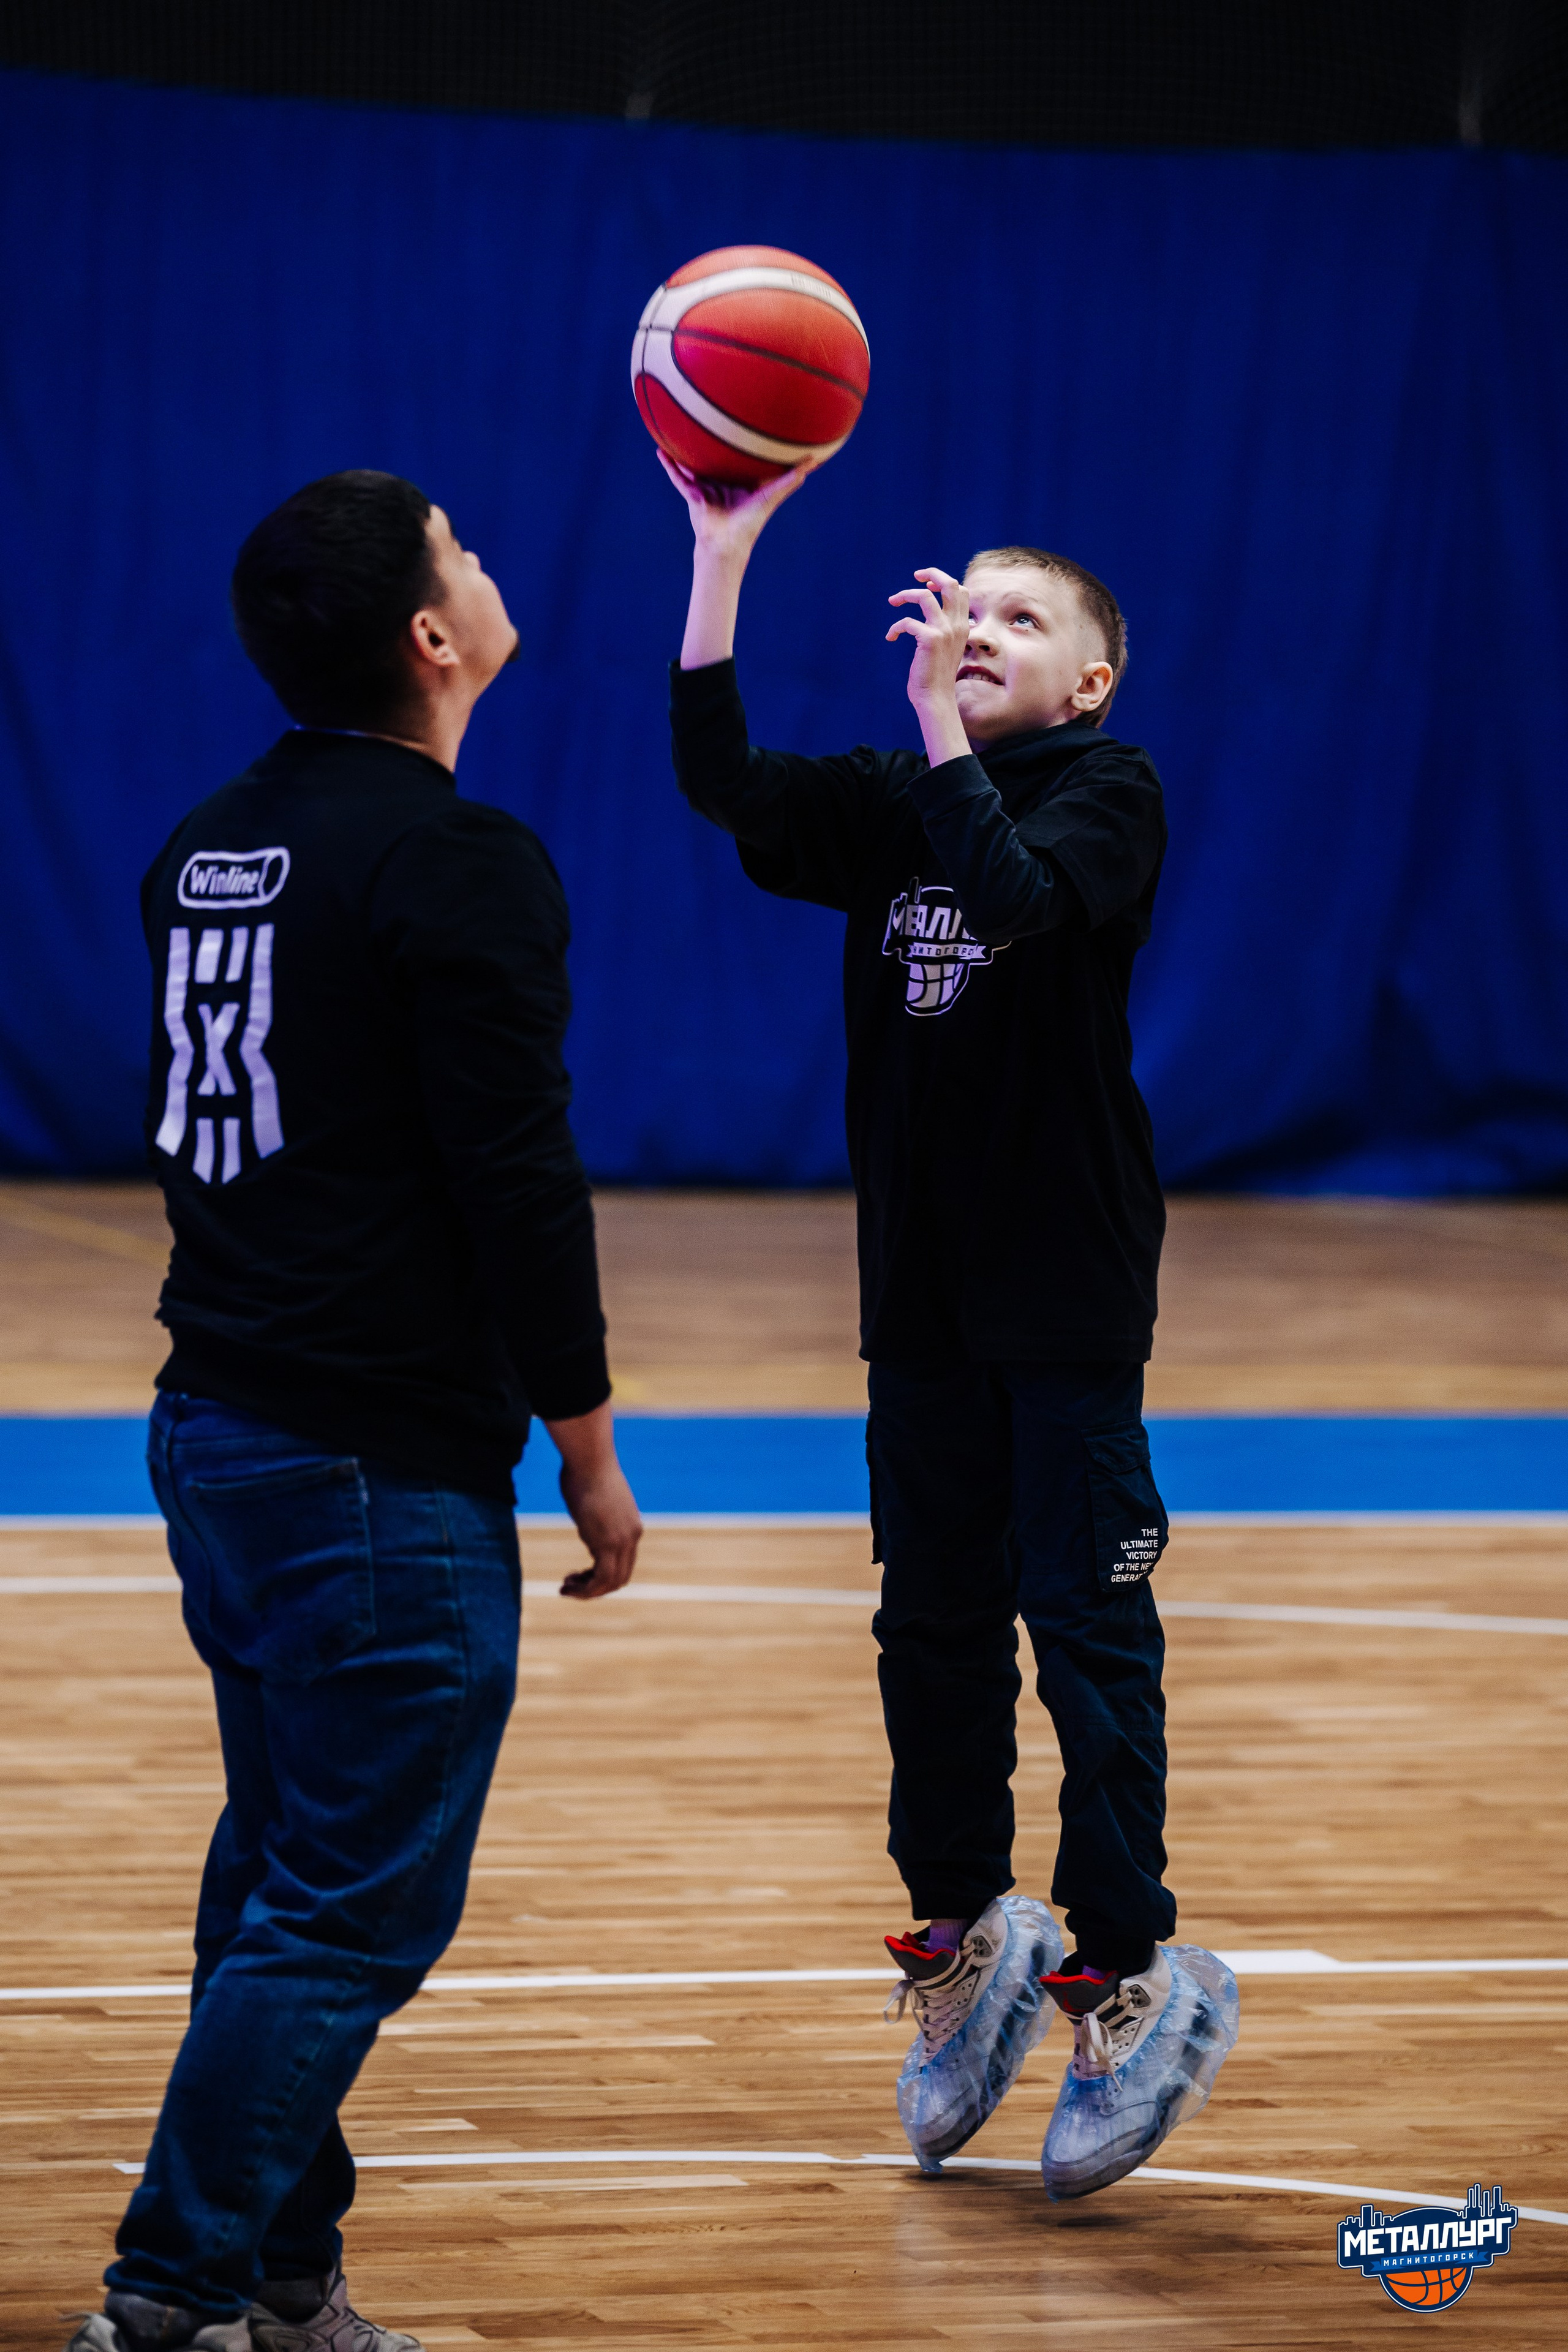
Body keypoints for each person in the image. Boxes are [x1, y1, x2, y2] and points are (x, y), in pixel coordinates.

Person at [68, 470, 641, 2352]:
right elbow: (518, 1176)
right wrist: (585, 1436)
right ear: (424, 634)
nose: (488, 570)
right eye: (464, 554)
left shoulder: (202, 845)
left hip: (220, 1427)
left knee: (281, 1874)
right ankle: (164, 2302)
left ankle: (288, 2284)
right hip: (369, 1464)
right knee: (347, 1911)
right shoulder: (458, 857)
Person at [660, 452, 1237, 2200]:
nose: (976, 631)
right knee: (928, 1634)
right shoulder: (898, 795)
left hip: (1062, 1299)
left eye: (1017, 618)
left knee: (1085, 1631)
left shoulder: (1106, 790)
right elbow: (718, 780)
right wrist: (722, 558)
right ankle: (960, 1933)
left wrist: (934, 734)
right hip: (914, 1299)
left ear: (1089, 675)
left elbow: (1014, 903)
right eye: (961, 606)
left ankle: (1126, 1969)